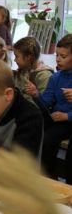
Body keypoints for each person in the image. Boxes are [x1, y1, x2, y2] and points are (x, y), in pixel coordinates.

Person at [28, 34, 72, 178]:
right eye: (57, 55)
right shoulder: (56, 77)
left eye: (63, 56)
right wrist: (36, 94)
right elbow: (47, 103)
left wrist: (67, 116)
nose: (58, 59)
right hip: (59, 120)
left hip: (67, 119)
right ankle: (46, 177)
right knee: (41, 134)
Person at [13, 36, 53, 105]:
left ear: (28, 57)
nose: (14, 60)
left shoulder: (44, 76)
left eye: (16, 56)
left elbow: (46, 104)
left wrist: (36, 93)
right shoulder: (24, 69)